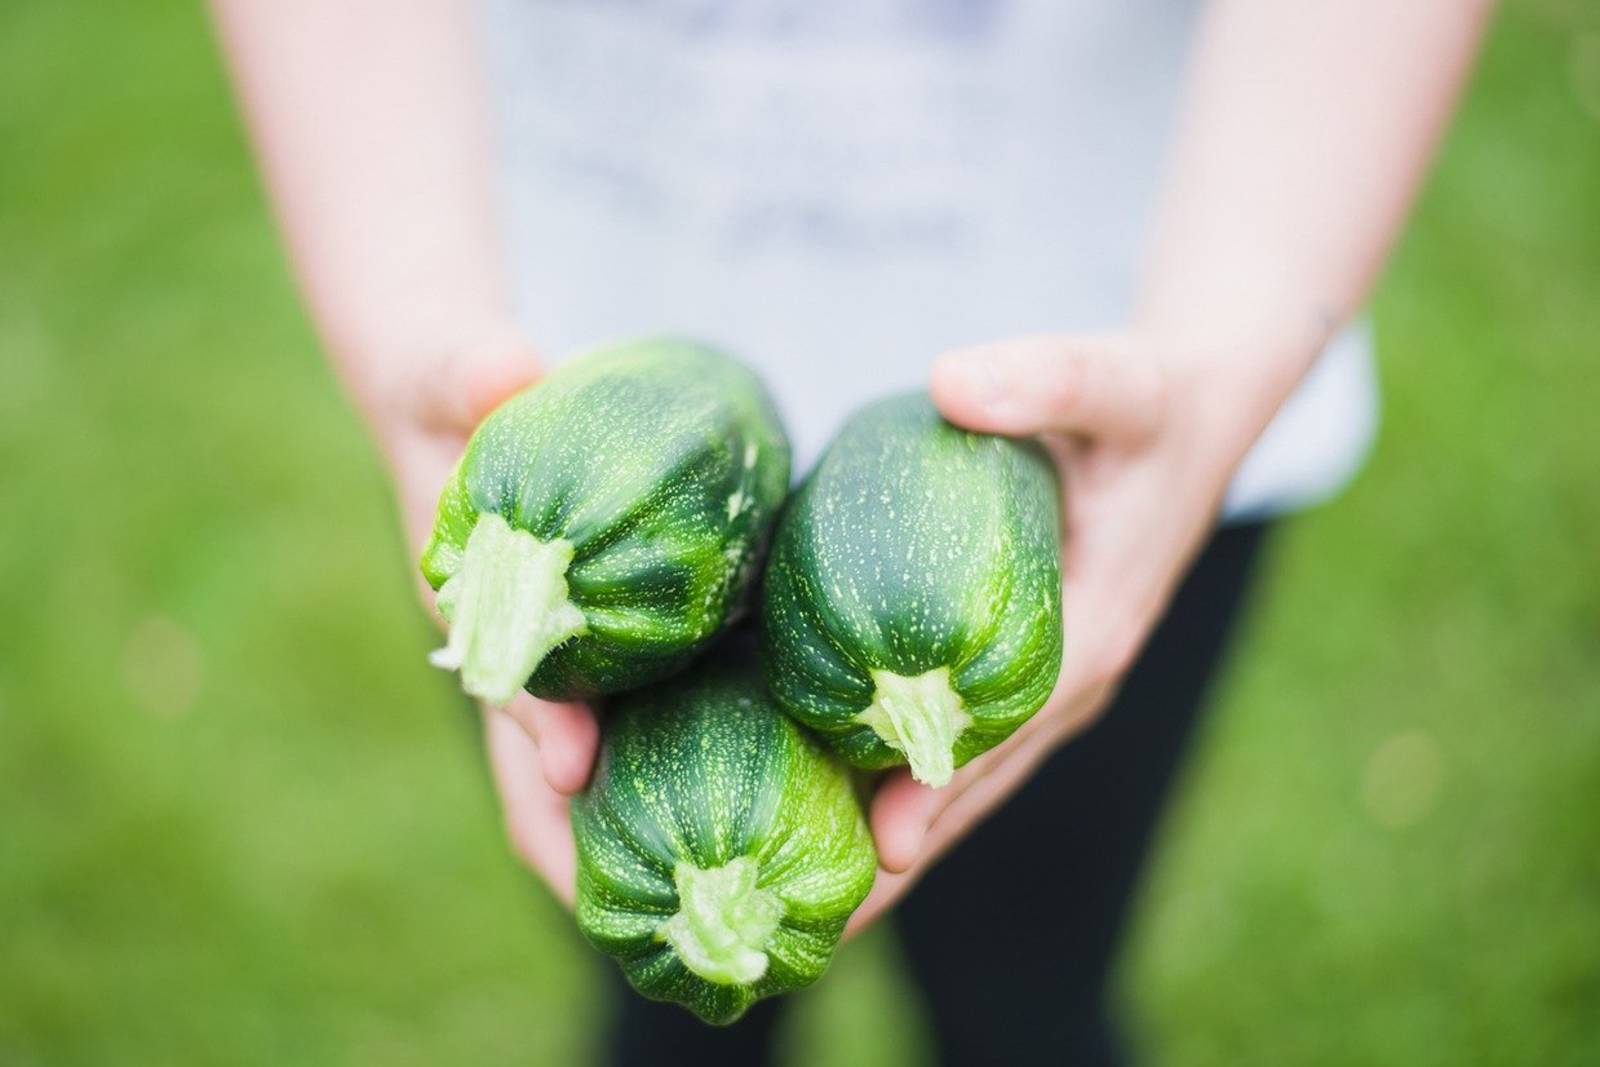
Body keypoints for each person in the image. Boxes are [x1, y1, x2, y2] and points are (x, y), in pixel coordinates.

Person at [211, 2, 1489, 1063]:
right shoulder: (533, 510)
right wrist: (408, 319)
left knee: (1027, 992)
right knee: (674, 1013)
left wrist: (1225, 362)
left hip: (1133, 390)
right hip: (573, 383)